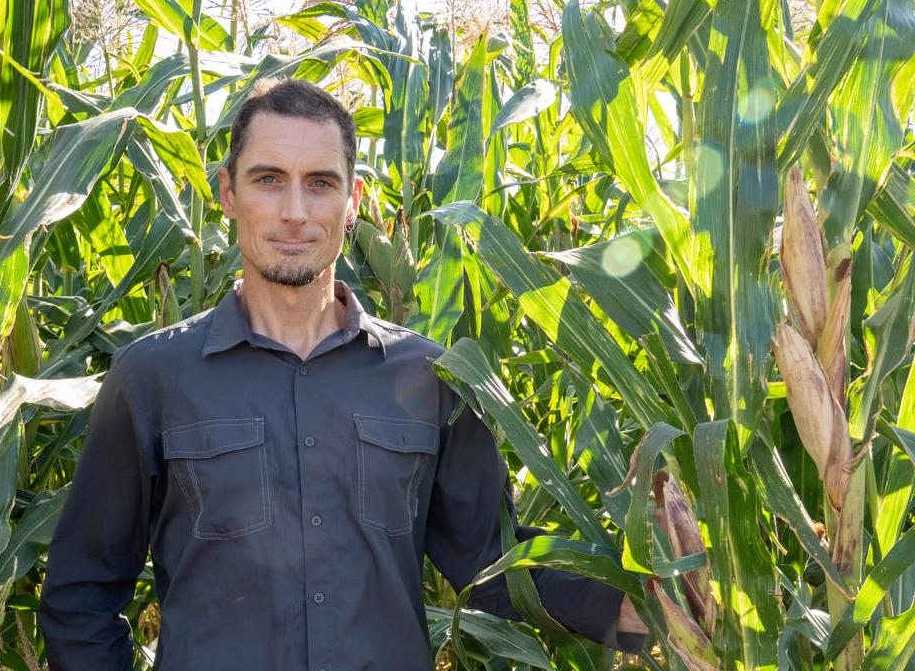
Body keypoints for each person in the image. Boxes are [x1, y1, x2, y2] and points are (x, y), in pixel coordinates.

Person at [40, 78, 647, 670]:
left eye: (321, 184)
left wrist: (642, 603)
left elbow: (492, 565)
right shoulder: (153, 378)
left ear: (353, 201)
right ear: (227, 193)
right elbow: (81, 597)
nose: (295, 212)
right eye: (268, 180)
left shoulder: (433, 378)